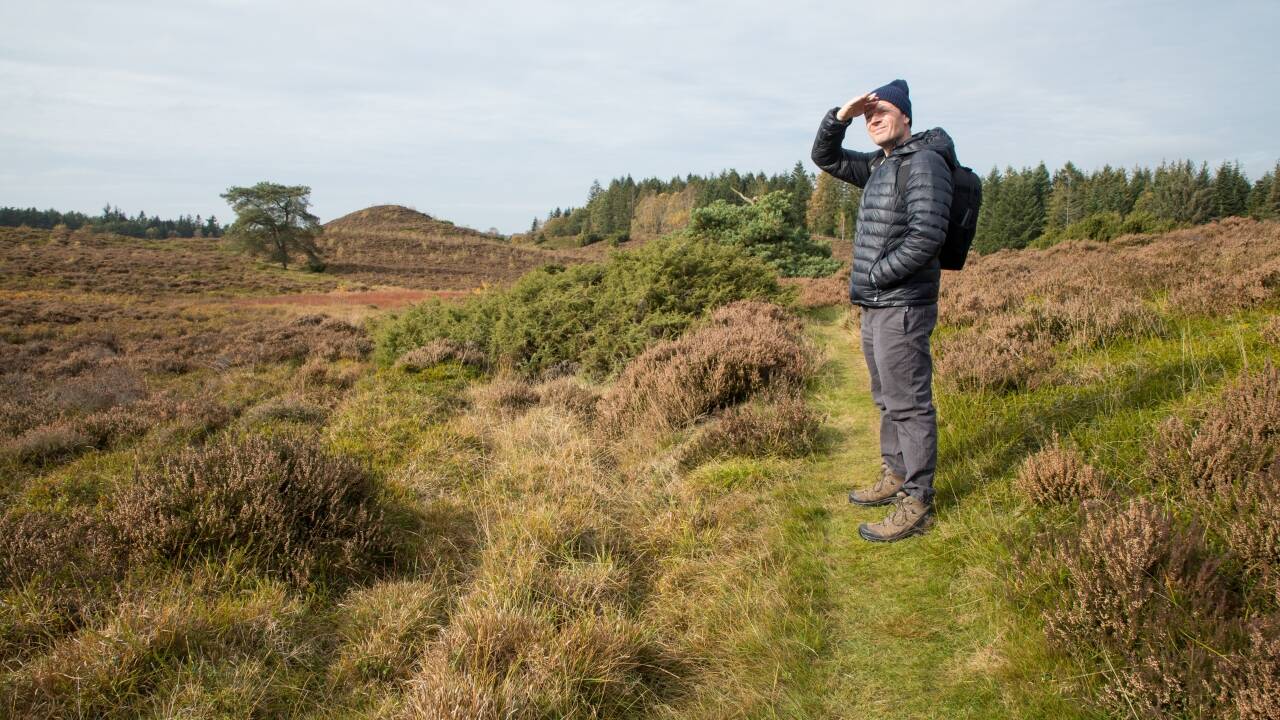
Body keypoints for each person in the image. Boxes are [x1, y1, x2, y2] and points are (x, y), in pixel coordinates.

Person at [810, 79, 955, 542]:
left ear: (906, 116)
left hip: (903, 304)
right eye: (869, 116)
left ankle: (918, 501)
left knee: (908, 404)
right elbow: (825, 157)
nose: (874, 120)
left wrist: (877, 274)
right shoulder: (881, 164)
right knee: (886, 398)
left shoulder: (924, 162)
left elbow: (926, 236)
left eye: (883, 112)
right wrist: (841, 116)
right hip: (877, 305)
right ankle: (895, 474)